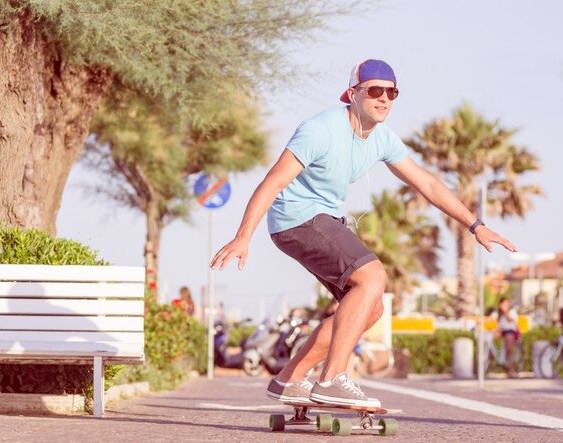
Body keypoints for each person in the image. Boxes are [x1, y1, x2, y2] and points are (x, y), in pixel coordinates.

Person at [210, 59, 517, 408]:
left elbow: (428, 184)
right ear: (353, 94)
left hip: (321, 220)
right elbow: (273, 181)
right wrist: (243, 236)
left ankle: (289, 379)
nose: (384, 98)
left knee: (368, 308)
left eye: (391, 92)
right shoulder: (320, 129)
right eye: (375, 90)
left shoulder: (382, 138)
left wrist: (475, 225)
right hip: (295, 219)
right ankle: (332, 380)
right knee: (372, 278)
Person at [490, 296, 519, 377]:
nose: (505, 305)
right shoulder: (497, 313)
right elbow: (491, 320)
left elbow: (511, 320)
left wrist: (505, 312)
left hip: (510, 331)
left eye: (507, 303)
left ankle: (511, 369)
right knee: (488, 338)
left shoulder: (512, 311)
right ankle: (491, 355)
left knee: (509, 349)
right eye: (503, 303)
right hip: (501, 331)